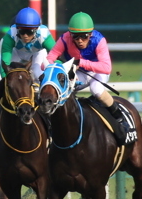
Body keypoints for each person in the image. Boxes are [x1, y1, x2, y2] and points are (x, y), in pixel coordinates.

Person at [47, 12, 136, 143]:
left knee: (96, 89)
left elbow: (106, 67)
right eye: (75, 37)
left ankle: (119, 118)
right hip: (80, 72)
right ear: (70, 35)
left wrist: (81, 62)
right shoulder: (64, 39)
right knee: (64, 88)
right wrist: (61, 66)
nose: (80, 41)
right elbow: (50, 58)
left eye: (84, 37)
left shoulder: (99, 40)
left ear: (91, 34)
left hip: (98, 72)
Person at [0, 7, 55, 92]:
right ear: (17, 29)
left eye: (29, 31)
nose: (25, 36)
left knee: (37, 73)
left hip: (37, 52)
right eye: (22, 31)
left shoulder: (44, 35)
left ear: (36, 29)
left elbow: (57, 57)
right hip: (16, 51)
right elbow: (4, 65)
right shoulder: (9, 36)